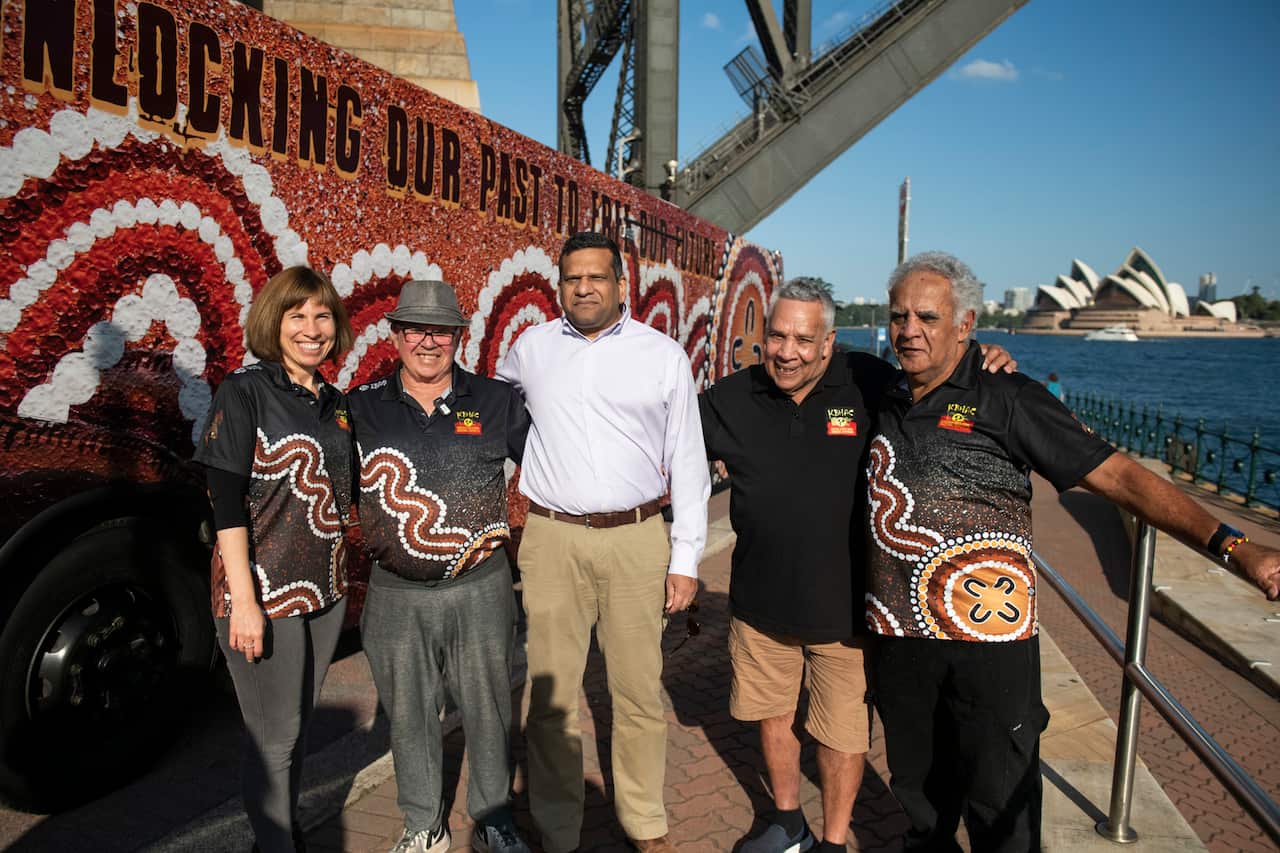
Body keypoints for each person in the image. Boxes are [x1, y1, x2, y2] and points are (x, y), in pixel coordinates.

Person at [864, 251, 1280, 852]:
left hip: (988, 645)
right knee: (921, 797)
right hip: (900, 642)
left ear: (966, 325)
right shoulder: (879, 389)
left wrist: (1234, 545)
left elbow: (1121, 479)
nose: (909, 330)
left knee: (1000, 804)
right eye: (899, 315)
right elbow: (807, 362)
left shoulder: (1009, 396)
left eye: (928, 317)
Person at [699, 279, 1013, 853]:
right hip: (759, 603)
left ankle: (834, 840)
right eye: (776, 335)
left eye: (803, 338)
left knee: (841, 734)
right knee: (771, 716)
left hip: (845, 610)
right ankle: (787, 821)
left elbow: (938, 383)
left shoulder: (868, 381)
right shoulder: (730, 397)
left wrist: (981, 358)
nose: (787, 351)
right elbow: (664, 442)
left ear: (828, 342)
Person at [496, 232, 708, 853]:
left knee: (638, 691)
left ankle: (643, 819)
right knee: (552, 695)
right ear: (558, 286)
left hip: (638, 539)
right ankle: (557, 827)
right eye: (571, 278)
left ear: (622, 286)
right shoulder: (531, 349)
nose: (583, 287)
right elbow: (495, 406)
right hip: (553, 540)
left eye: (596, 277)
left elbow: (688, 462)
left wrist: (686, 559)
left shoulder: (662, 354)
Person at [349, 281, 532, 853]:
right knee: (408, 713)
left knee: (490, 706)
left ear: (459, 337)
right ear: (396, 336)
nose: (428, 342)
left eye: (441, 331)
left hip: (481, 587)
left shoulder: (496, 402)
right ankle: (423, 825)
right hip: (395, 592)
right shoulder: (359, 407)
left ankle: (494, 819)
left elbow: (559, 468)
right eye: (416, 330)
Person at [195, 266, 356, 853]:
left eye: (322, 316)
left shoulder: (333, 401)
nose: (312, 329)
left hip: (325, 591)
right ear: (274, 322)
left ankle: (281, 836)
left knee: (295, 733)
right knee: (274, 736)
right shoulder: (244, 392)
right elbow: (225, 503)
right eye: (297, 315)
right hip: (263, 590)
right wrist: (243, 602)